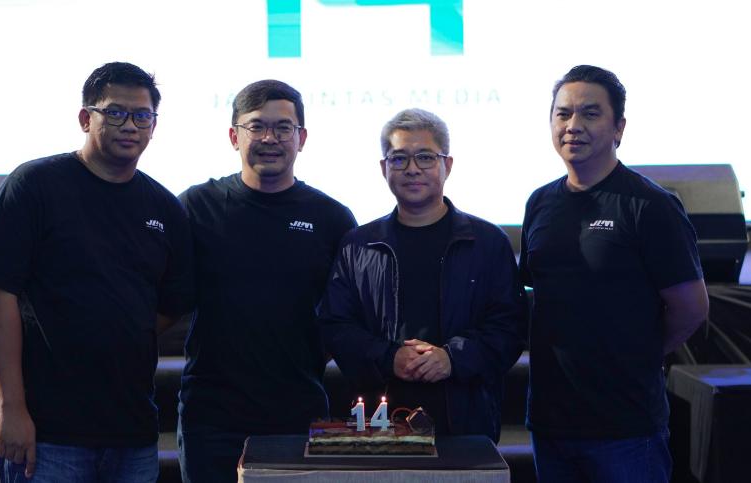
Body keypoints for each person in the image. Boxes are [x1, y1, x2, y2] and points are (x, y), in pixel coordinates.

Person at [0, 62, 193, 482]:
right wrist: (12, 408)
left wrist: (117, 327)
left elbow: (170, 304)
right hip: (44, 431)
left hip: (131, 430)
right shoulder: (34, 186)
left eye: (142, 115)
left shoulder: (164, 208)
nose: (130, 125)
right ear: (86, 118)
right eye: (115, 112)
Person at [519, 65, 710, 482]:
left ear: (619, 127)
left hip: (626, 427)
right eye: (563, 113)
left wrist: (637, 352)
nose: (573, 125)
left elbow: (691, 308)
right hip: (551, 422)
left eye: (590, 113)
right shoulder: (540, 203)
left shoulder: (651, 205)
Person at [176, 79, 357, 482]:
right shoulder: (196, 206)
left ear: (301, 138)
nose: (270, 138)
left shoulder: (332, 218)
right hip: (211, 416)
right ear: (234, 136)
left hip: (298, 410)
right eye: (256, 126)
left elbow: (348, 316)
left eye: (283, 127)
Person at [317, 108, 528, 440]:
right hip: (379, 428)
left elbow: (510, 327)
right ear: (384, 168)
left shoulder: (488, 243)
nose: (412, 169)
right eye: (399, 158)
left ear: (448, 165)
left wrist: (452, 358)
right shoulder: (358, 245)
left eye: (426, 157)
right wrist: (389, 357)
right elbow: (335, 326)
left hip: (466, 424)